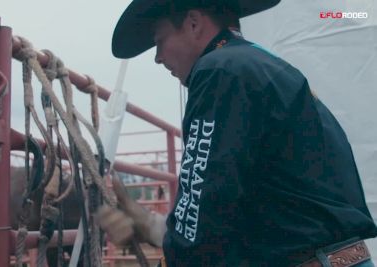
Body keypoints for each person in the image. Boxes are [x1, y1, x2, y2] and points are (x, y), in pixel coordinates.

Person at [97, 0, 377, 266]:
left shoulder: (219, 70)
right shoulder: (256, 64)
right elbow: (238, 200)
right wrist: (155, 227)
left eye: (159, 41)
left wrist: (176, 250)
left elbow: (207, 208)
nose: (158, 57)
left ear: (193, 24)